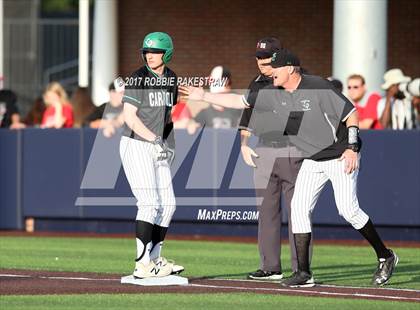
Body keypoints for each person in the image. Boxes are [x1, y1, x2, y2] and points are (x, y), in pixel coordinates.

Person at [258, 48, 397, 287]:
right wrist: (204, 96)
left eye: (276, 66)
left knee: (348, 210)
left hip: (340, 155)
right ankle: (303, 273)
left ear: (290, 68)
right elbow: (240, 101)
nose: (271, 71)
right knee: (298, 209)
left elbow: (351, 114)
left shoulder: (318, 86)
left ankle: (386, 255)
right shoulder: (282, 93)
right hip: (313, 159)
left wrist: (352, 148)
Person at [180, 38, 310, 280]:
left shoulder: (297, 77)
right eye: (259, 57)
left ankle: (301, 270)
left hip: (293, 149)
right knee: (266, 212)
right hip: (264, 149)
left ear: (279, 56)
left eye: (267, 57)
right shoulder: (258, 82)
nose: (262, 62)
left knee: (298, 213)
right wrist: (244, 143)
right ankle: (270, 267)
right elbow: (245, 110)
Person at [119, 32, 183, 279]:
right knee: (148, 204)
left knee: (168, 205)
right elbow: (130, 116)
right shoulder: (138, 77)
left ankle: (155, 260)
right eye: (146, 51)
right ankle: (142, 264)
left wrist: (166, 142)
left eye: (155, 51)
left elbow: (168, 116)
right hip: (136, 144)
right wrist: (154, 139)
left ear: (166, 53)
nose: (150, 55)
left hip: (158, 145)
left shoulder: (171, 79)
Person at [188, 66, 241, 133]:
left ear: (226, 82)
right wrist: (191, 124)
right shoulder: (207, 112)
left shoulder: (238, 105)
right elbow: (193, 123)